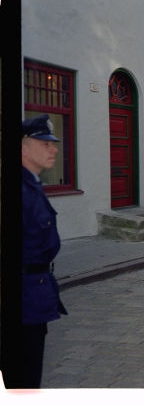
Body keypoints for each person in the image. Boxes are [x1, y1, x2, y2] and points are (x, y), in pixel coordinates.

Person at [20, 114, 68, 389]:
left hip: (36, 295)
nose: (54, 149)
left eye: (54, 143)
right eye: (45, 144)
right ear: (23, 148)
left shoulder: (33, 184)